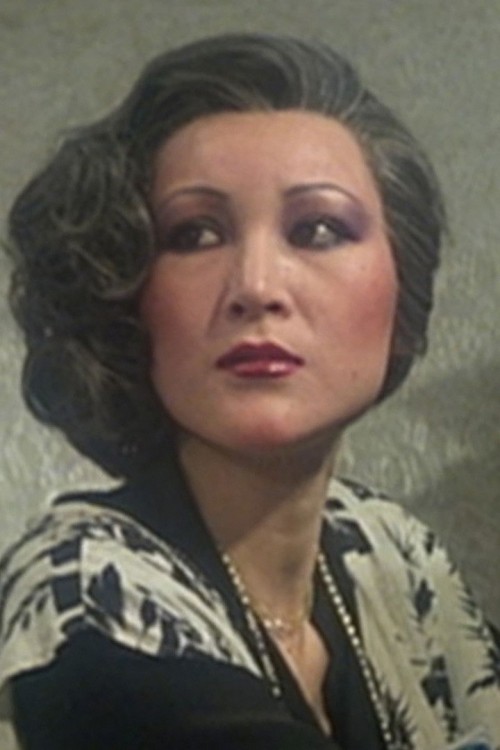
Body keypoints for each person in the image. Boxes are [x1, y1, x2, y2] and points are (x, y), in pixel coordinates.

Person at [0, 33, 498, 750]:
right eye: (195, 235)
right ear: (125, 296)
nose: (257, 287)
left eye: (318, 229)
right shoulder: (85, 593)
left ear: (402, 286)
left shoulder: (391, 552)